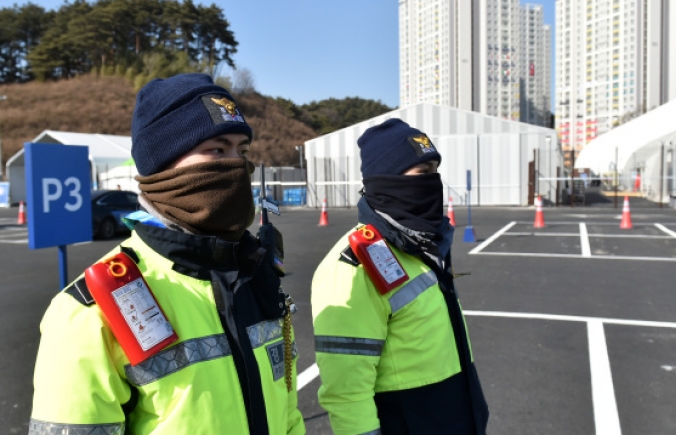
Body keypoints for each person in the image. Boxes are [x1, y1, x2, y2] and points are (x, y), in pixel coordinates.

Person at [28, 73, 305, 434]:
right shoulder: (88, 311)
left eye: (243, 152)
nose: (237, 167)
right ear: (161, 166)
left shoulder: (256, 274)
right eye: (217, 150)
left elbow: (288, 413)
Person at [311, 118, 489, 434]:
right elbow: (347, 394)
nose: (433, 182)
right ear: (387, 181)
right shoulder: (353, 265)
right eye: (423, 173)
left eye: (435, 171)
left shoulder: (423, 247)